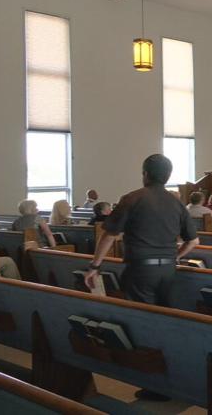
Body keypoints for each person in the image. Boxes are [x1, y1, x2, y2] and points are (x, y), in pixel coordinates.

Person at [84, 155, 197, 401]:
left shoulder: (132, 199)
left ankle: (156, 385)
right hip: (168, 271)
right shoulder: (177, 203)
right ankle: (175, 379)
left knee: (144, 324)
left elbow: (109, 236)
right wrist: (175, 257)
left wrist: (94, 266)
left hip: (140, 271)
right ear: (167, 176)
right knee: (167, 323)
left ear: (145, 173)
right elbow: (194, 241)